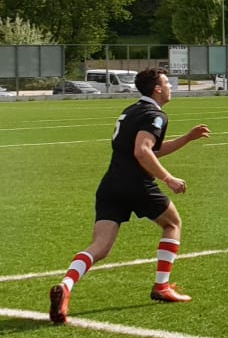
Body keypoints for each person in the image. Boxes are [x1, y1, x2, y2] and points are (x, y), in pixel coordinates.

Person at [48, 68, 210, 324]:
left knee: (100, 247)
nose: (170, 87)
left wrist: (187, 138)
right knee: (172, 223)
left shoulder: (132, 110)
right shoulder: (155, 115)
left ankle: (66, 286)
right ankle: (162, 286)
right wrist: (168, 178)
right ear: (157, 89)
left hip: (111, 184)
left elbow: (151, 149)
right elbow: (143, 151)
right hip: (137, 184)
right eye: (167, 83)